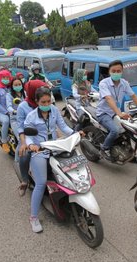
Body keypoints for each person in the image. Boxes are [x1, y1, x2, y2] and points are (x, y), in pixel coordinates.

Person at [24, 87, 83, 233]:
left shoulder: (54, 110)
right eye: (43, 101)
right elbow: (28, 135)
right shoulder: (31, 117)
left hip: (57, 148)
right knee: (41, 182)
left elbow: (62, 126)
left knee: (73, 170)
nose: (46, 104)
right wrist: (31, 144)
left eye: (48, 101)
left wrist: (75, 133)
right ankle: (33, 217)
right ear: (36, 102)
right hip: (40, 151)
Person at [96, 60, 137, 160]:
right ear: (109, 71)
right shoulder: (104, 83)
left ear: (122, 71)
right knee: (115, 131)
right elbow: (108, 98)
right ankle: (104, 149)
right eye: (113, 71)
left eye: (118, 71)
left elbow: (133, 96)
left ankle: (127, 149)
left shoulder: (124, 83)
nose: (116, 73)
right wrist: (119, 113)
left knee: (131, 128)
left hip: (116, 112)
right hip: (104, 113)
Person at [16, 80, 47, 196]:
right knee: (24, 155)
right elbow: (20, 128)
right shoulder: (22, 107)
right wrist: (24, 143)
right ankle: (24, 180)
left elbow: (55, 123)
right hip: (29, 137)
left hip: (46, 136)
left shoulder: (46, 102)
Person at [0, 70, 13, 153]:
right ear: (0, 78)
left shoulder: (10, 88)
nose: (6, 79)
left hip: (12, 110)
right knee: (6, 121)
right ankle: (4, 141)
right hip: (1, 112)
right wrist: (6, 112)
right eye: (4, 78)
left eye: (8, 78)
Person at [7, 78, 25, 158]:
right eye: (16, 85)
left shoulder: (24, 93)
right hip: (15, 119)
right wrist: (14, 111)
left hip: (25, 118)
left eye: (19, 84)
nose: (18, 86)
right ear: (12, 86)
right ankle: (17, 160)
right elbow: (9, 107)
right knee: (21, 140)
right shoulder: (9, 95)